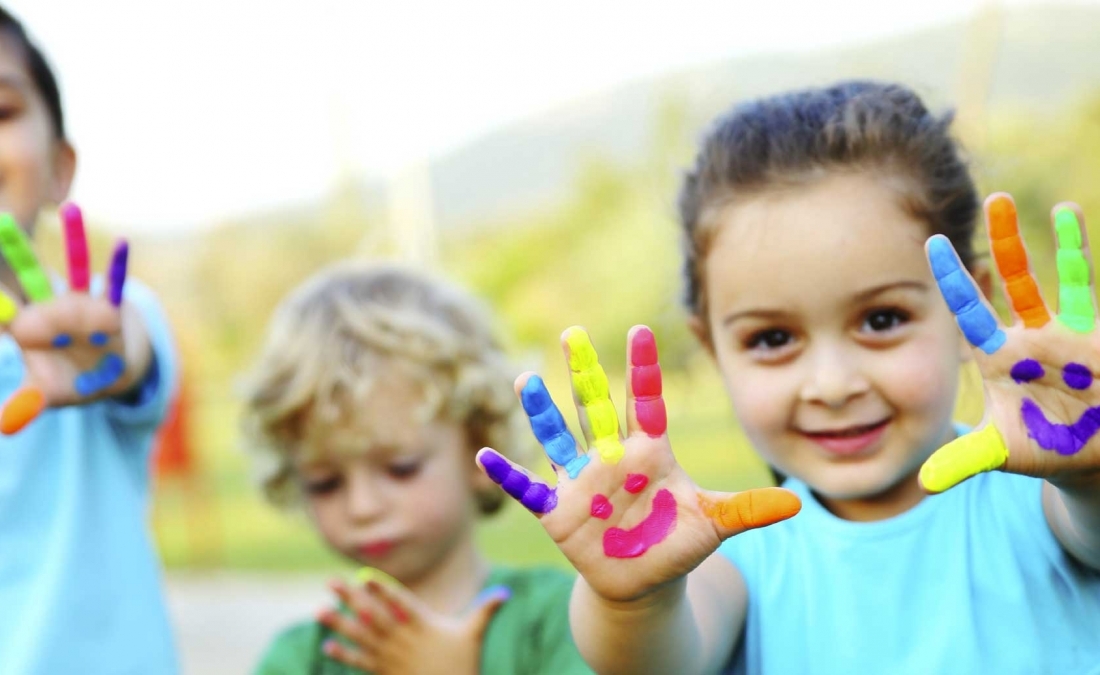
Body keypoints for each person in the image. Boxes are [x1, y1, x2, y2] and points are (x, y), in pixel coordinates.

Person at [476, 80, 1100, 674]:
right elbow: (653, 659)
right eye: (772, 339)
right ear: (712, 348)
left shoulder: (1049, 505)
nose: (831, 384)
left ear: (972, 309)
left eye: (881, 320)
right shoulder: (736, 560)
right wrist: (632, 598)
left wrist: (1090, 472)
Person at [242, 261, 593, 674]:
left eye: (400, 468)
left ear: (482, 447)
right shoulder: (300, 660)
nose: (362, 506)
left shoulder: (568, 620)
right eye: (325, 483)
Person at [0, 7, 180, 675]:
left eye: (0, 110)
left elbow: (128, 355)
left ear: (59, 168)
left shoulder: (121, 313)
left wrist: (107, 356)